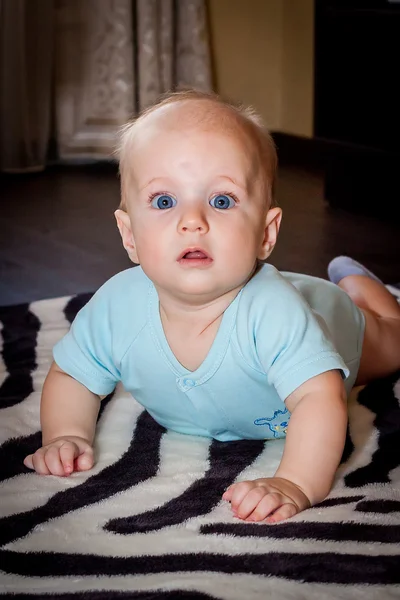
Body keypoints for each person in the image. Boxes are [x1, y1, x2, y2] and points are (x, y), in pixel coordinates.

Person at [23, 90, 400, 524]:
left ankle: (362, 286)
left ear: (266, 233)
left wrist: (295, 482)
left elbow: (320, 397)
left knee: (391, 341)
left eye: (221, 201)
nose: (192, 221)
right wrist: (66, 434)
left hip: (334, 324)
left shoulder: (276, 314)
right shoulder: (116, 308)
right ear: (129, 235)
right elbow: (74, 374)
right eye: (164, 201)